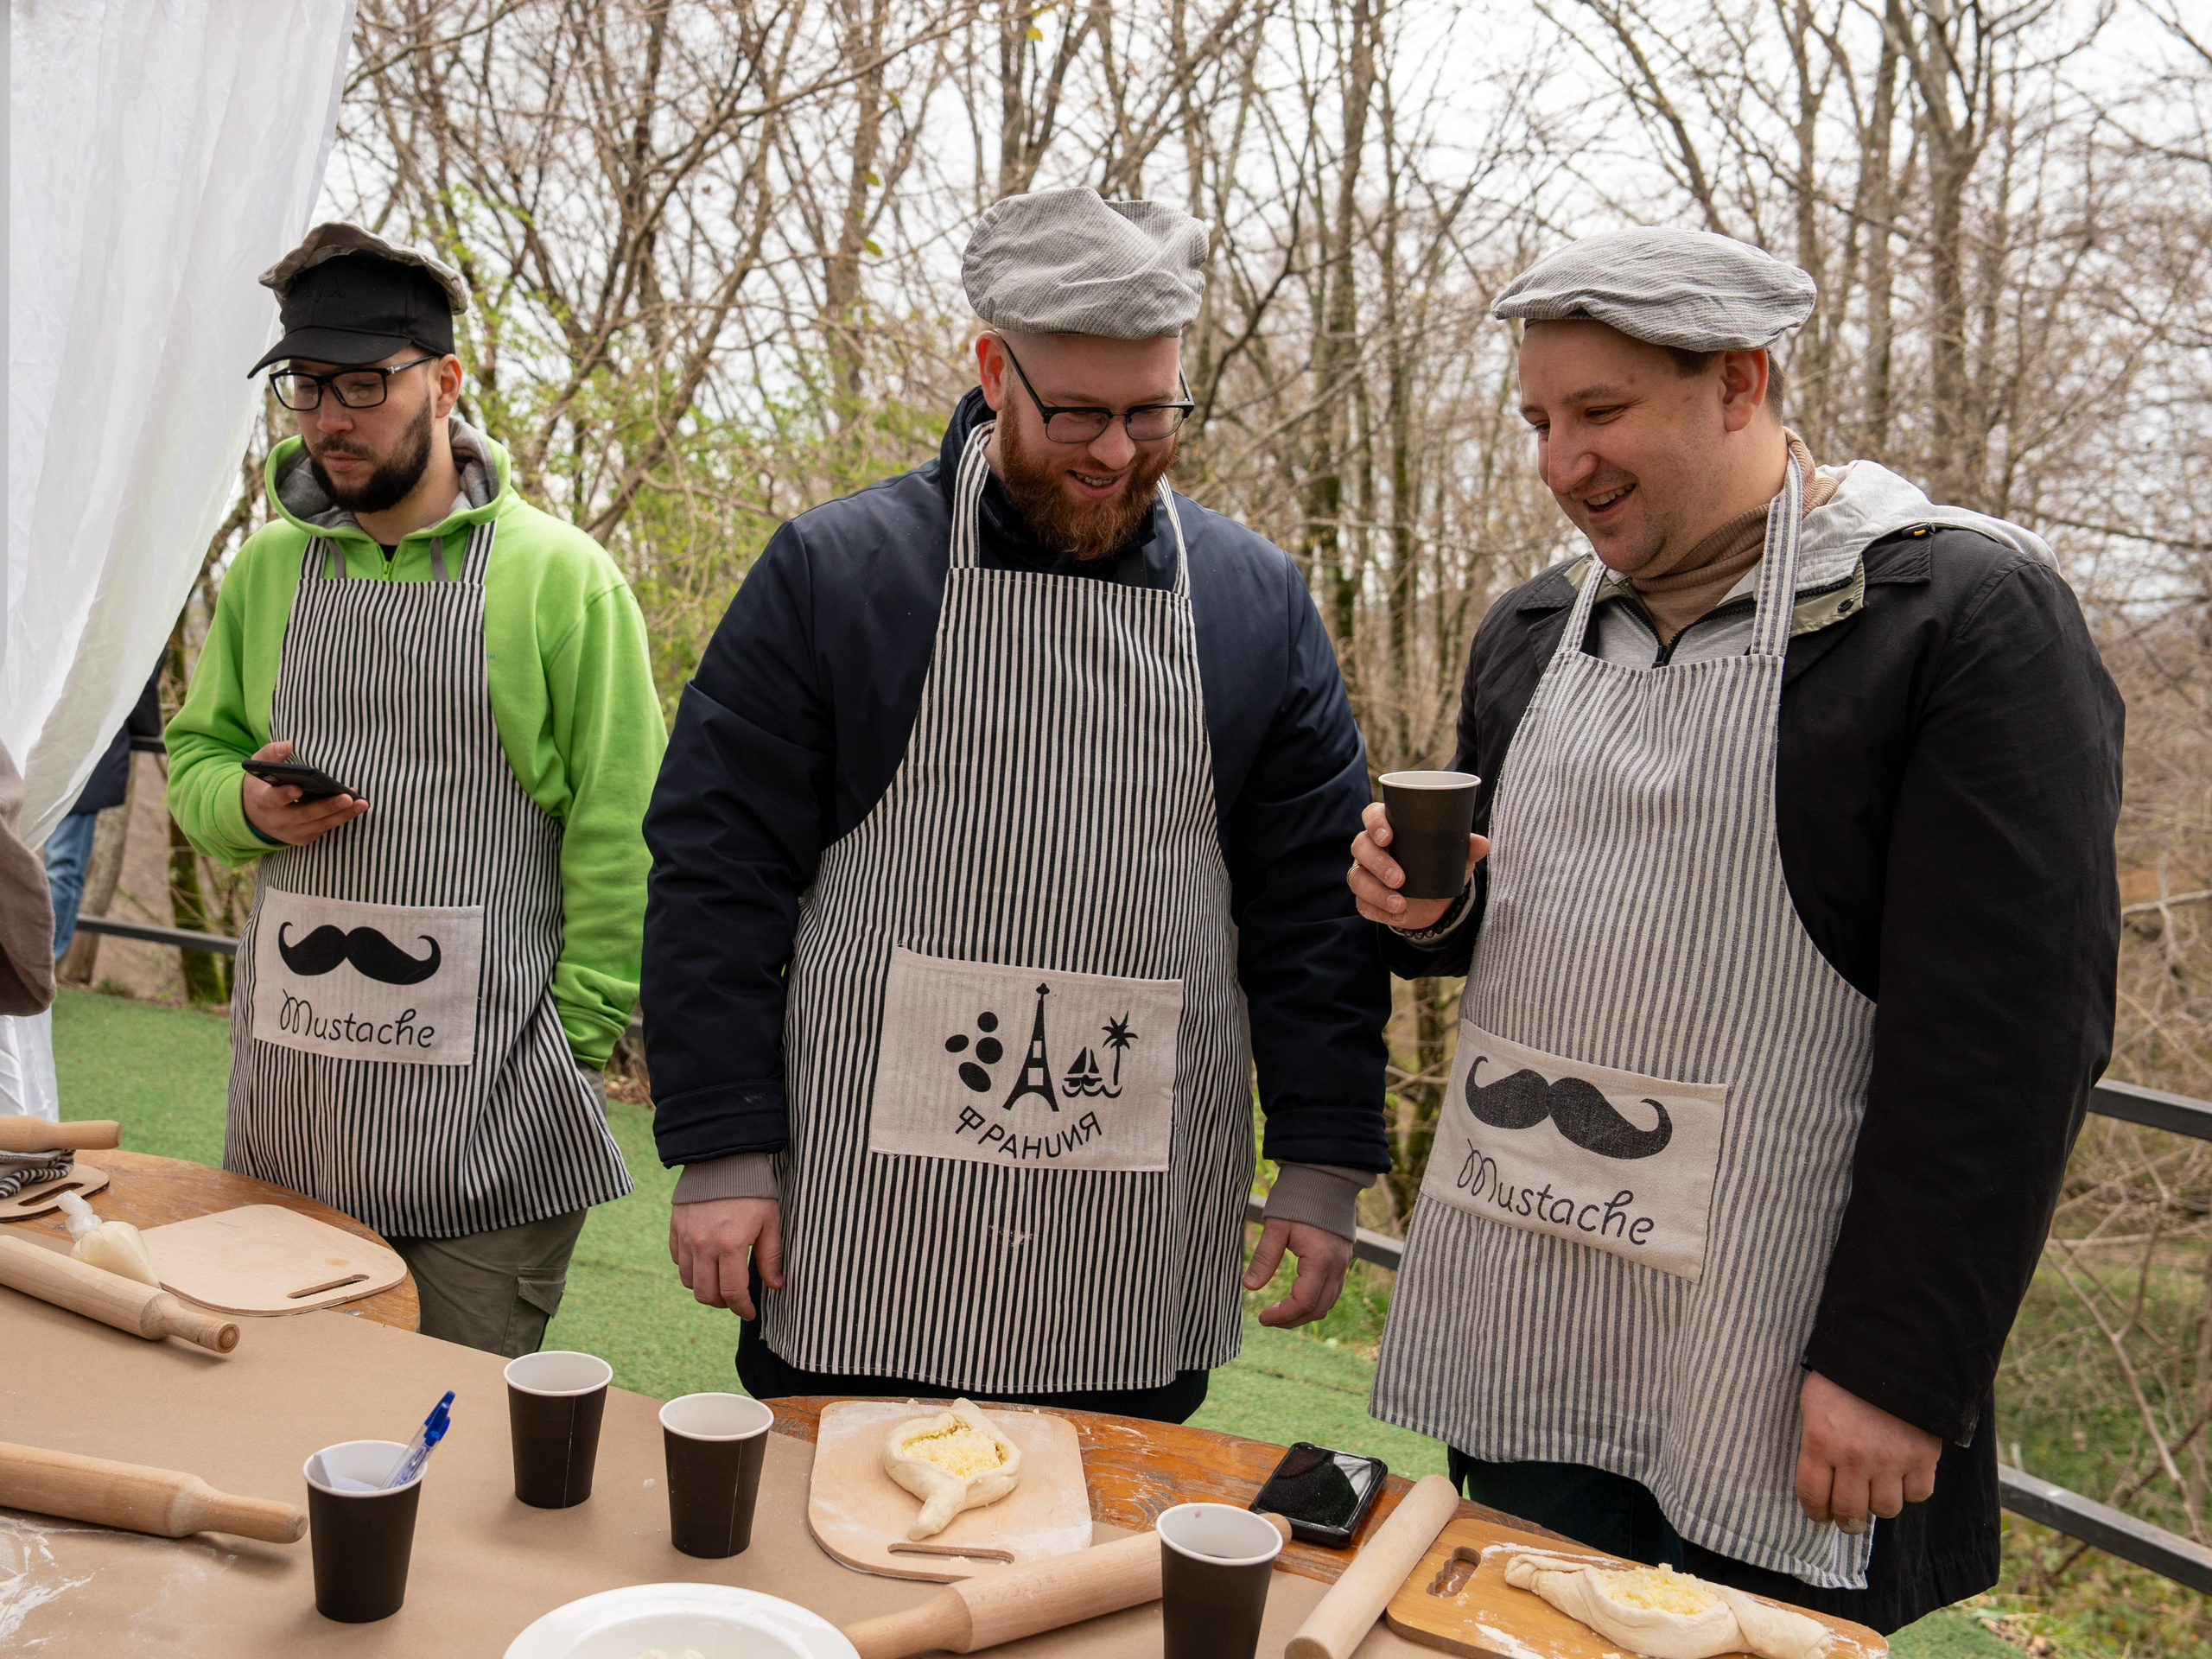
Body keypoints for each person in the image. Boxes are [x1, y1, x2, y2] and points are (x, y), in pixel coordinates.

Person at [1349, 228, 2121, 1630]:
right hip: (1545, 1314)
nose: (1558, 462)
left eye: (1601, 413)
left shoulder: (1954, 621)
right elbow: (1521, 914)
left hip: (1776, 1363)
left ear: (1741, 384)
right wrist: (1426, 912)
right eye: (1539, 419)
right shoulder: (1534, 631)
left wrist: (1899, 1367)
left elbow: (2009, 1044)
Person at [643, 187, 1390, 1421]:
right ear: (995, 369)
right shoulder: (839, 574)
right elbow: (719, 871)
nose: (1115, 453)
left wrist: (1322, 1156)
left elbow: (1312, 904)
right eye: (1080, 414)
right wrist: (723, 1141)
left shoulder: (1256, 602)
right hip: (869, 1218)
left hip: (1127, 1226)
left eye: (1153, 413)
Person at [167, 224, 665, 1357]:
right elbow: (199, 760)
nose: (330, 417)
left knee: (442, 1439)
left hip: (489, 1119)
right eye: (304, 387)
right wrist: (245, 811)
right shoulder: (267, 572)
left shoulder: (557, 578)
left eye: (362, 385)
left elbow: (622, 833)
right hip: (294, 1109)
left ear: (443, 381)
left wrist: (571, 1050)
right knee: (279, 1413)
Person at [44, 669, 162, 961]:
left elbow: (141, 689)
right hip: (38, 736)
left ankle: (39, 970)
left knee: (61, 867)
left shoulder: (135, 626)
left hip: (85, 749)